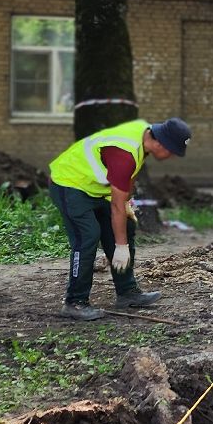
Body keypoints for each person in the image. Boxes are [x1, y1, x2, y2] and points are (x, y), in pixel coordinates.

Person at [47, 116, 191, 320]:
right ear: (159, 142)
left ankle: (127, 292)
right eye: (172, 151)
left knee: (127, 227)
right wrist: (121, 246)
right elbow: (116, 205)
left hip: (95, 188)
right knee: (88, 235)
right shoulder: (124, 154)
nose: (172, 156)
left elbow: (126, 179)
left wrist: (126, 201)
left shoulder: (143, 134)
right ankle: (75, 302)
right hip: (69, 183)